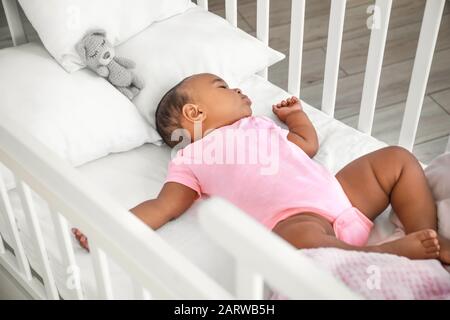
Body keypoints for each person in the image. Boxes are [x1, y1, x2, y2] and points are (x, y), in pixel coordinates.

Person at [73, 73, 450, 264]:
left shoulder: (259, 125)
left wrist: (298, 117)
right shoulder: (189, 160)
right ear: (195, 113)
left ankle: (427, 238)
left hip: (339, 194)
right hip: (297, 219)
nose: (240, 91)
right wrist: (108, 228)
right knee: (293, 241)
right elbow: (163, 207)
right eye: (224, 86)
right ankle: (385, 254)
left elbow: (306, 147)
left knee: (397, 159)